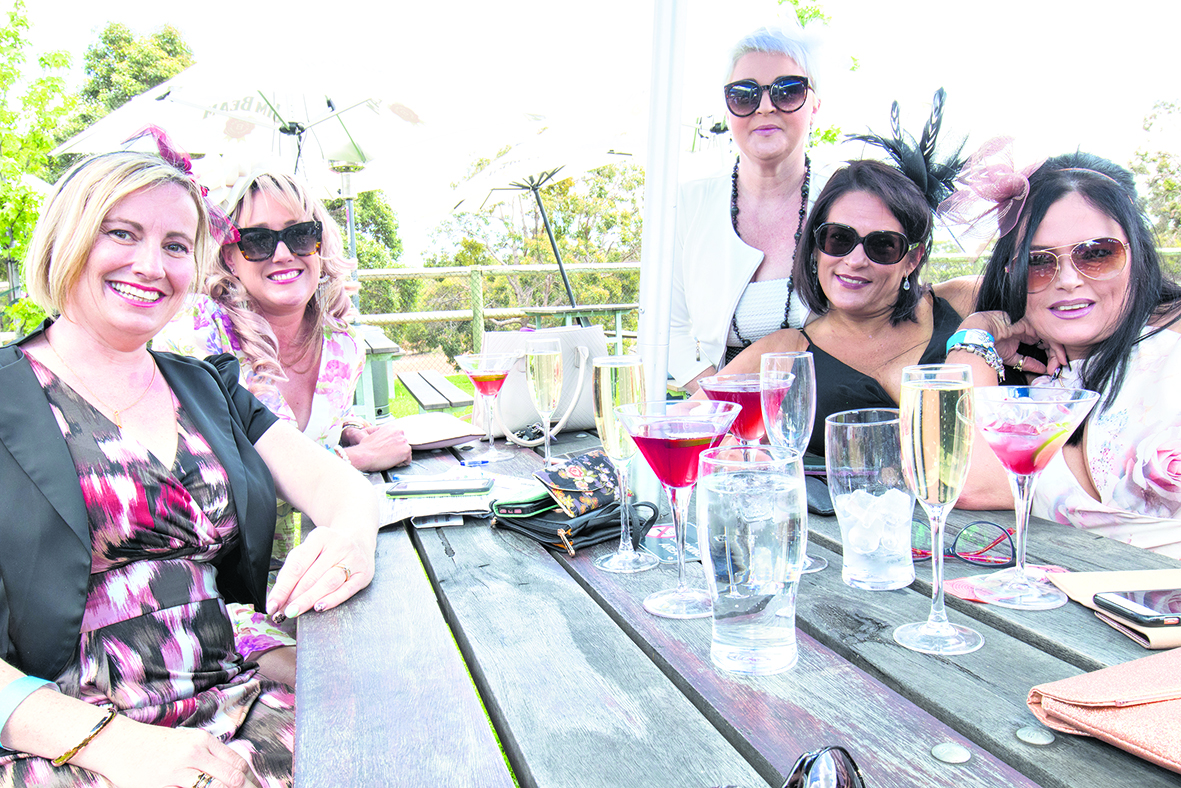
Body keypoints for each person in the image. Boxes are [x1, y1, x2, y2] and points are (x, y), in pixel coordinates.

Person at [0, 138, 379, 787]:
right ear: (67, 239)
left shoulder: (207, 389)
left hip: (235, 703)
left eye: (176, 245)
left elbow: (335, 486)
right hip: (69, 738)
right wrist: (114, 744)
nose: (152, 265)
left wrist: (352, 533)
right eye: (122, 234)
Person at [155, 172, 411, 667]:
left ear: (319, 243)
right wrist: (355, 457)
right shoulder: (199, 338)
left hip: (322, 568)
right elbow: (218, 475)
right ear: (229, 256)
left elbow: (305, 431)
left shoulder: (342, 344)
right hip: (229, 592)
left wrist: (348, 428)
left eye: (299, 234)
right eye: (257, 241)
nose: (282, 254)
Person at [947, 149, 1181, 556]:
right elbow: (956, 475)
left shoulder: (1169, 353)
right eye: (1039, 262)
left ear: (1137, 256)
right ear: (1013, 274)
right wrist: (975, 333)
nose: (1069, 279)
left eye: (1097, 253)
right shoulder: (1039, 390)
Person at [718, 93, 977, 456]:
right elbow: (683, 427)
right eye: (838, 239)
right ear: (815, 245)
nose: (855, 260)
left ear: (913, 259)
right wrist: (735, 454)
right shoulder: (785, 352)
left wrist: (992, 328)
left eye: (883, 245)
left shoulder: (965, 302)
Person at [668, 23, 824, 393]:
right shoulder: (687, 204)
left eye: (788, 91)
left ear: (815, 105)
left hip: (824, 411)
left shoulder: (844, 201)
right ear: (728, 109)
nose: (766, 106)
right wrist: (726, 406)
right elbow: (666, 330)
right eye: (744, 95)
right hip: (720, 409)